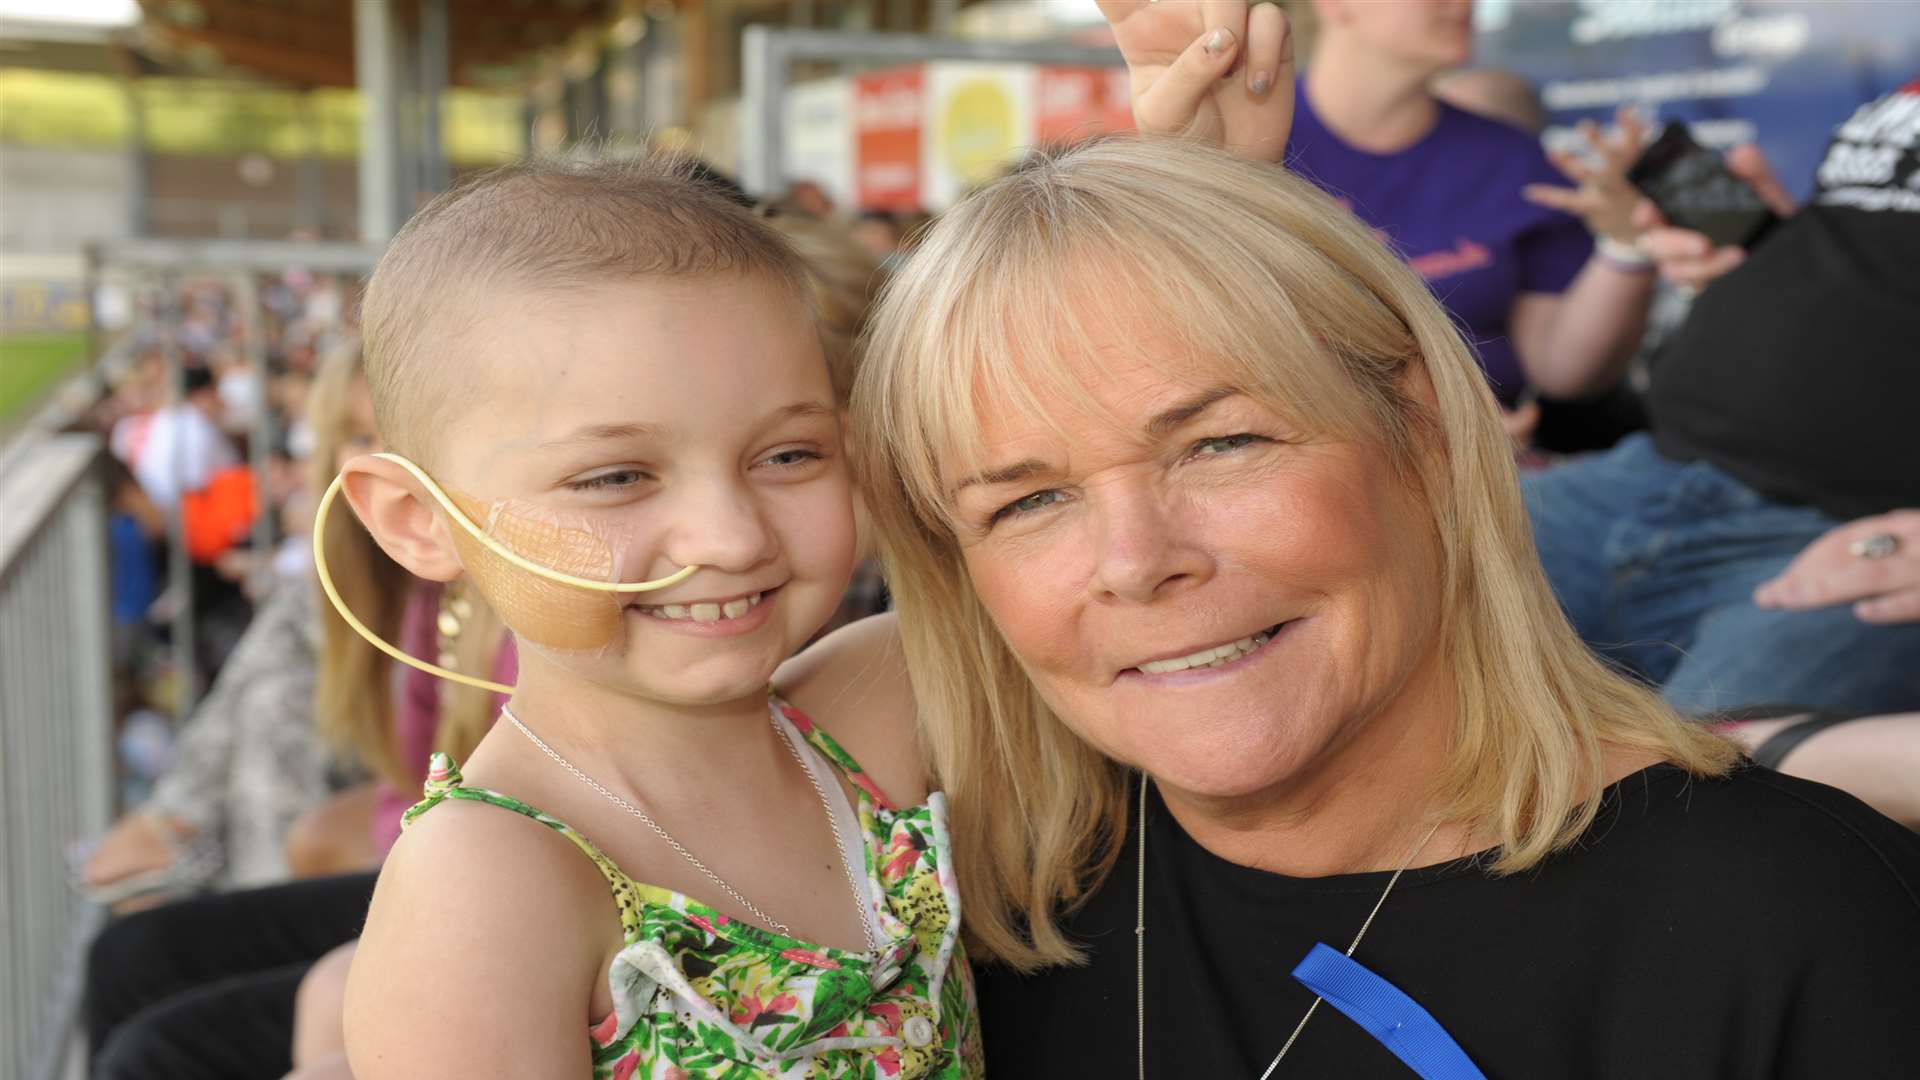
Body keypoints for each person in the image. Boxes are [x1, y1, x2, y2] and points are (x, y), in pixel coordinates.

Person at [839, 6, 1920, 1075]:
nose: (1135, 559)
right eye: (1025, 503)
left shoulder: (1793, 919)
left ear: (1424, 425)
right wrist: (1170, 231)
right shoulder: (945, 928)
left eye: (1220, 445)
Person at [336, 152, 979, 1078]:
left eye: (789, 456)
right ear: (420, 522)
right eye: (615, 478)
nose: (728, 535)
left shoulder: (886, 704)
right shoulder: (483, 889)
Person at [1522, 78, 1920, 714]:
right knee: (1378, 608)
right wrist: (1776, 253)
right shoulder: (1903, 95)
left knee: (1696, 795)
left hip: (1846, 539)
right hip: (1644, 476)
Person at [1274, 0, 1655, 416]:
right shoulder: (1251, 143)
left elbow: (1561, 371)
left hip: (1497, 459)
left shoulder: (1511, 158)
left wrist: (1626, 244)